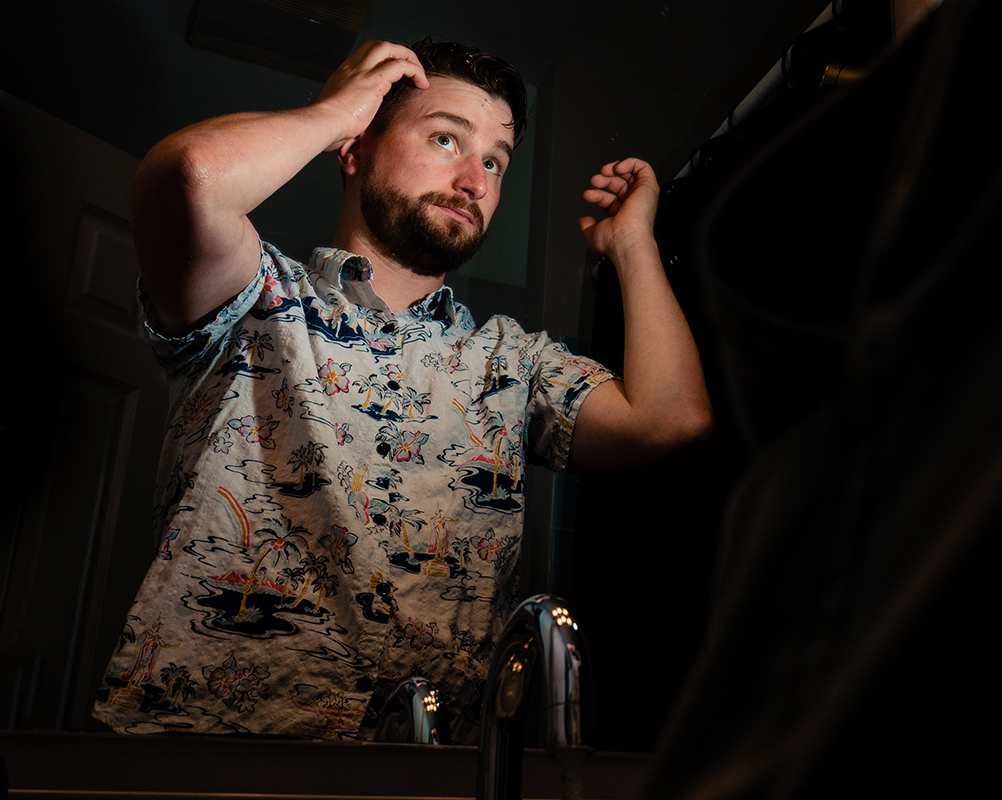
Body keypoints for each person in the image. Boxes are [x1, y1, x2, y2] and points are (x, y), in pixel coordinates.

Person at [93, 38, 712, 742]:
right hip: (212, 759)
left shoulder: (510, 362)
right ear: (357, 149)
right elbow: (188, 177)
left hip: (426, 773)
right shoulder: (252, 298)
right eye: (446, 138)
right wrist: (335, 113)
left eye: (494, 162)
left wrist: (632, 245)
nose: (475, 180)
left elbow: (671, 420)